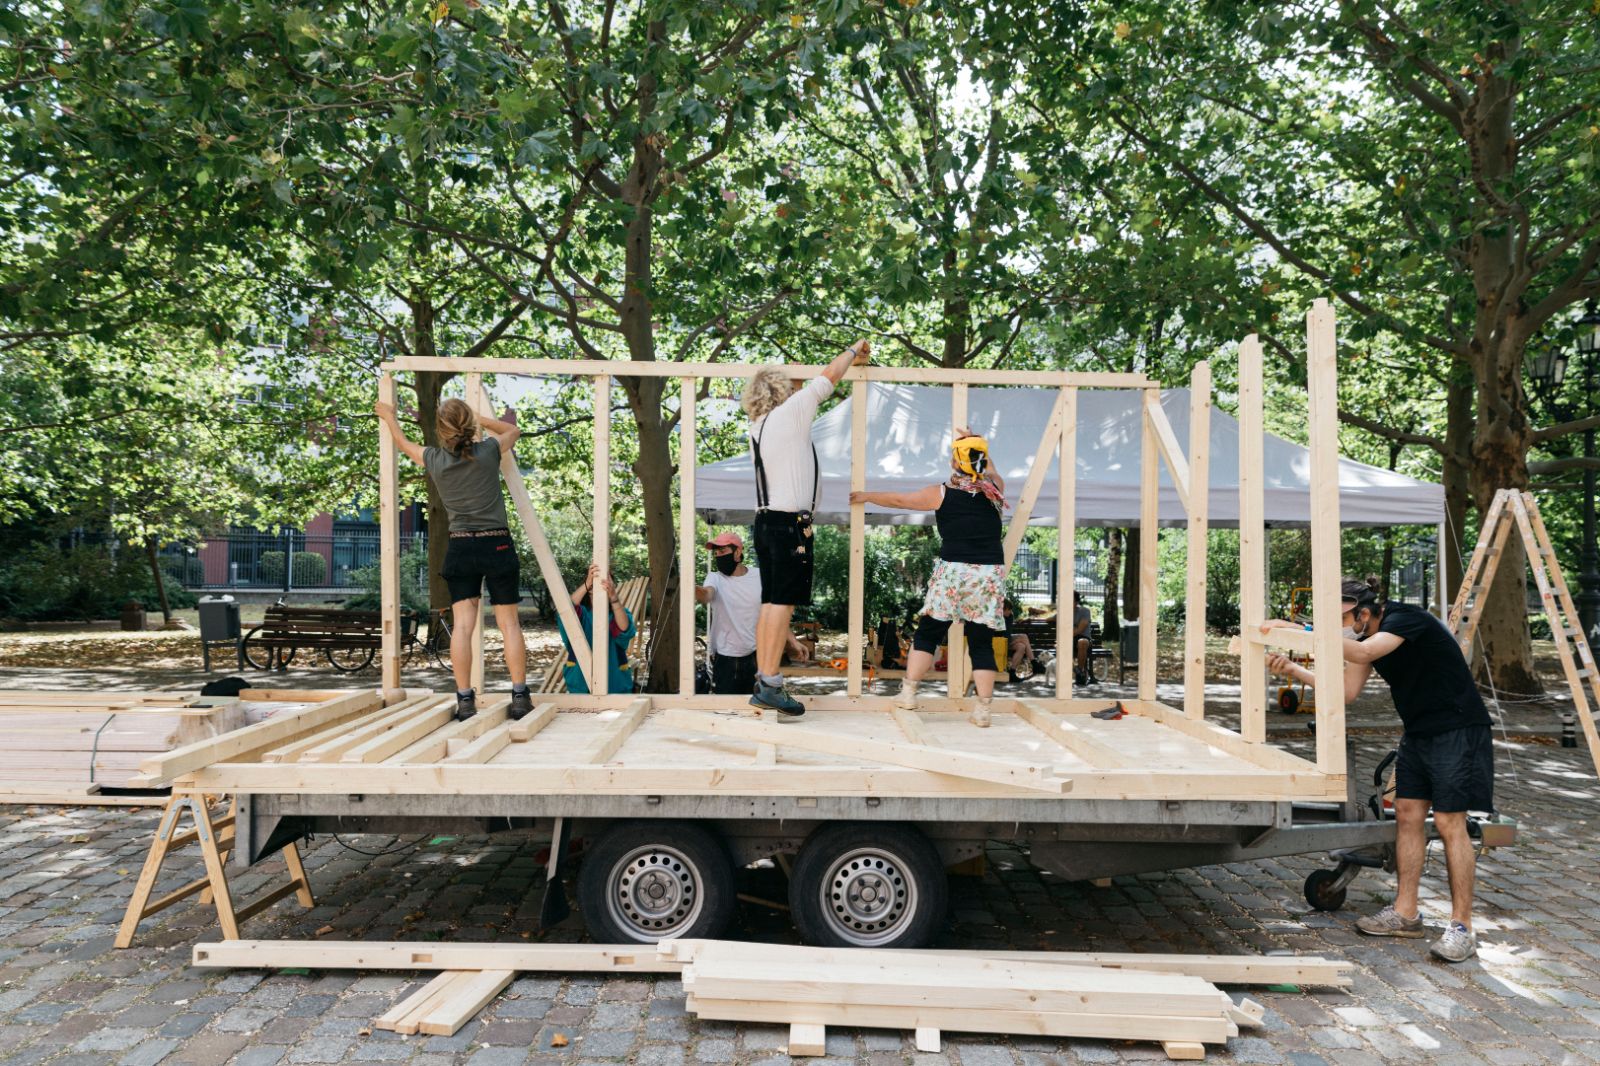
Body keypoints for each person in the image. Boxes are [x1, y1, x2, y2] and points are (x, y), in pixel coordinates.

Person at [1261, 577, 1494, 962]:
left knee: (1452, 822)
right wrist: (1292, 667)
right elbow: (1347, 692)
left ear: (1365, 613)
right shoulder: (1365, 638)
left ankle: (1462, 927)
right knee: (1406, 814)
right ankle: (1406, 913)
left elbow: (1364, 651)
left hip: (1458, 728)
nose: (1338, 627)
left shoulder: (1405, 620)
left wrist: (1306, 633)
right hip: (1419, 731)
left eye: (1343, 619)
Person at [375, 397, 532, 722]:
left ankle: (464, 701)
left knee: (462, 626)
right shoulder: (488, 451)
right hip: (496, 545)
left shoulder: (434, 458)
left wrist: (389, 417)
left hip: (461, 547)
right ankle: (518, 697)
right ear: (468, 425)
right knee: (509, 624)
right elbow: (513, 430)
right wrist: (481, 419)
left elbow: (403, 444)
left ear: (441, 429)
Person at [741, 338, 873, 719]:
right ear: (785, 390)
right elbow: (828, 377)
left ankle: (766, 681)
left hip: (767, 522)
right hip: (787, 526)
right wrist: (854, 349)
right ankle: (769, 682)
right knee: (781, 603)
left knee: (771, 603)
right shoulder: (793, 412)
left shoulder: (759, 426)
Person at [850, 429, 1008, 727]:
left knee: (928, 634)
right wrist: (975, 445)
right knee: (982, 644)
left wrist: (867, 496)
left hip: (953, 571)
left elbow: (899, 500)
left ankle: (909, 694)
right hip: (988, 574)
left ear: (954, 462)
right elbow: (990, 469)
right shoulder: (995, 489)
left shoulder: (942, 492)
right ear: (982, 460)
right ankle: (984, 710)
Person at [696, 532, 761, 695]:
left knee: (753, 710)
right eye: (716, 553)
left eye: (722, 551)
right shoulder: (715, 578)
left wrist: (792, 640)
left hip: (755, 656)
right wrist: (693, 587)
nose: (718, 556)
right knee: (725, 711)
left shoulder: (759, 576)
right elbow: (706, 595)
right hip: (725, 658)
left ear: (738, 552)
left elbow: (772, 609)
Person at [558, 564, 636, 695]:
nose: (600, 581)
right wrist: (587, 583)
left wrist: (613, 597)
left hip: (615, 684)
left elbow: (624, 629)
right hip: (580, 683)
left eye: (606, 579)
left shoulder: (619, 613)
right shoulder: (581, 613)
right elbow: (566, 610)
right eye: (595, 578)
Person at [1003, 600, 1033, 676]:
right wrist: (1015, 640)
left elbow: (1008, 633)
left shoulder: (1010, 616)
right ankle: (1034, 662)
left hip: (1008, 641)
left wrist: (1022, 620)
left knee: (1021, 646)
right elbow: (1002, 636)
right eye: (1008, 610)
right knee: (1023, 637)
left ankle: (1012, 672)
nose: (1010, 611)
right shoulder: (997, 619)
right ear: (1002, 609)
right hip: (999, 642)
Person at [1072, 592, 1093, 685]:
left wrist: (1066, 633)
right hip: (1069, 640)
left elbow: (1080, 629)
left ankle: (1080, 671)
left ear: (1076, 601)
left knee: (1082, 642)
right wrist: (1029, 619)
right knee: (1060, 646)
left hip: (1083, 638)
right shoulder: (1063, 611)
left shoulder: (1084, 611)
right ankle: (1077, 673)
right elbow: (1048, 618)